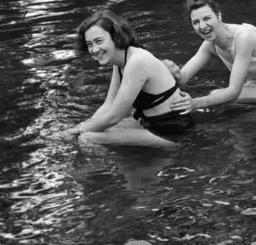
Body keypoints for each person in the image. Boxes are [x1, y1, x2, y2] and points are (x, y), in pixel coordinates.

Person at [62, 9, 193, 148]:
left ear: (115, 37)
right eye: (89, 44)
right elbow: (108, 106)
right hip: (150, 124)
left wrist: (78, 131)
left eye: (99, 41)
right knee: (91, 129)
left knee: (87, 138)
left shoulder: (137, 61)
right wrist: (79, 127)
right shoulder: (120, 61)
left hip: (175, 134)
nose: (94, 49)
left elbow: (115, 116)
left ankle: (109, 169)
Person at [164, 0, 256, 111]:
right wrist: (168, 68)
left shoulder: (243, 38)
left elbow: (233, 92)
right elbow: (183, 78)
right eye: (196, 22)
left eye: (206, 18)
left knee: (216, 95)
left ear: (219, 16)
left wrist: (194, 103)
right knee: (221, 101)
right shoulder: (209, 45)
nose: (202, 26)